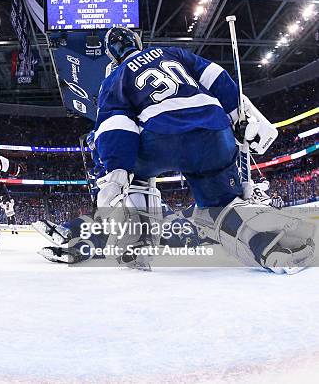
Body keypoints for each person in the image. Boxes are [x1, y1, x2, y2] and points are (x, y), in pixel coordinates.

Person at [93, 26, 314, 273]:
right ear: (138, 41)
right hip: (214, 132)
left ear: (112, 55)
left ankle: (137, 243)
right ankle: (271, 244)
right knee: (221, 203)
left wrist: (116, 170)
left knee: (134, 177)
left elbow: (116, 125)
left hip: (162, 139)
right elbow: (217, 76)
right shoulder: (173, 53)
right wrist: (236, 118)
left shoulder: (115, 77)